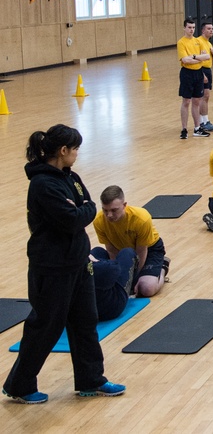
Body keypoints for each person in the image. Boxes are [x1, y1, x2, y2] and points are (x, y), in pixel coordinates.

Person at [3, 125, 125, 404]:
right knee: (45, 326)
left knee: (85, 322)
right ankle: (19, 386)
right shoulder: (43, 185)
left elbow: (89, 206)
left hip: (78, 263)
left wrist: (81, 208)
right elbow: (73, 218)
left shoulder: (72, 177)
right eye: (75, 149)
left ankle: (91, 380)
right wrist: (81, 209)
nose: (77, 154)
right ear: (63, 151)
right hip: (52, 268)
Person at [94, 186, 169, 297]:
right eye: (105, 210)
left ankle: (162, 266)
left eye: (114, 210)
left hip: (149, 250)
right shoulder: (99, 221)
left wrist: (133, 278)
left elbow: (141, 251)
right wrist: (119, 276)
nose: (109, 215)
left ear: (124, 205)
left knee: (146, 288)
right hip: (123, 251)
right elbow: (111, 251)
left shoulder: (141, 218)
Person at [177, 17, 210, 139]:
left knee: (196, 101)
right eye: (189, 27)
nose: (191, 30)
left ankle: (197, 128)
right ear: (184, 28)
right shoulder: (181, 42)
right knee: (186, 101)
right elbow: (185, 60)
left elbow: (206, 56)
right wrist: (197, 58)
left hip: (198, 72)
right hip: (187, 74)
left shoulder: (198, 41)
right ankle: (184, 128)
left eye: (193, 27)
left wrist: (194, 56)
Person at [89, 247, 137, 322]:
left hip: (80, 309)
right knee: (127, 252)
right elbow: (114, 269)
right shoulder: (95, 267)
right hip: (110, 309)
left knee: (98, 251)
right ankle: (133, 286)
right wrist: (96, 261)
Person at [197, 22, 213, 132]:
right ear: (203, 30)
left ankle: (206, 120)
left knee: (207, 96)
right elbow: (198, 60)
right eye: (209, 29)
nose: (211, 30)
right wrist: (202, 73)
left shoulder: (208, 43)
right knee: (203, 96)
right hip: (202, 70)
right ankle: (201, 122)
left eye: (212, 29)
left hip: (208, 70)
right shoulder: (199, 42)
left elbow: (210, 58)